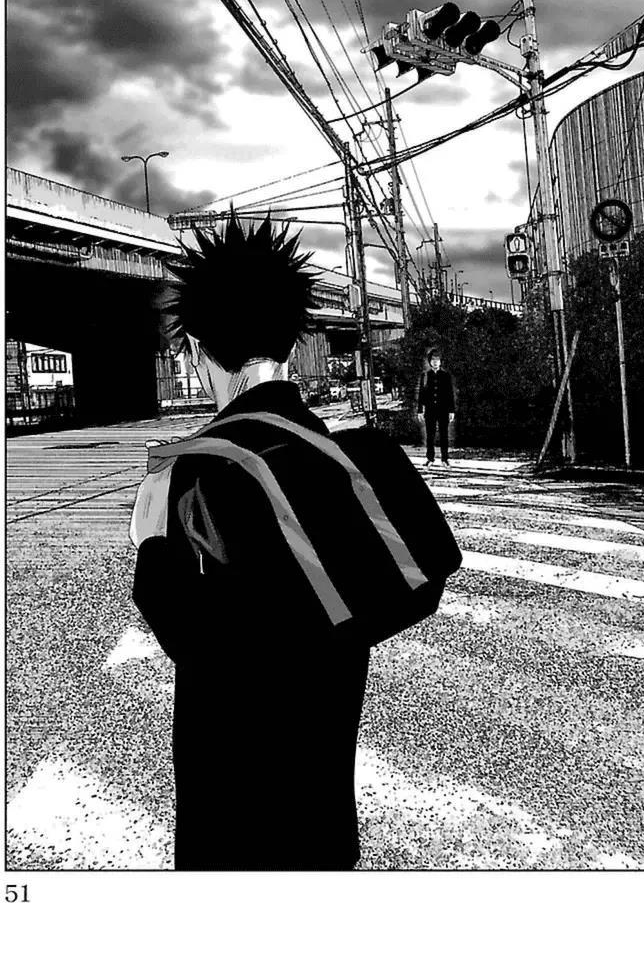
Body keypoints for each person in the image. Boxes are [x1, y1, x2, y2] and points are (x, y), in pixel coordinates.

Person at [129, 212, 461, 871]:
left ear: (195, 349)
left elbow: (197, 641)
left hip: (229, 822)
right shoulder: (357, 458)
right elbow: (414, 584)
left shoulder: (189, 476)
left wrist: (151, 548)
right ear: (292, 335)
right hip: (322, 818)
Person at [417, 349, 456, 467]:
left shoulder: (446, 376)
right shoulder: (425, 376)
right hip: (430, 410)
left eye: (437, 360)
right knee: (430, 435)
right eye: (433, 360)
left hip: (443, 410)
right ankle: (430, 458)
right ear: (429, 361)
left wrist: (451, 410)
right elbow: (421, 394)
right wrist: (420, 410)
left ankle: (445, 459)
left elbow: (450, 394)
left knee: (444, 434)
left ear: (440, 361)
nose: (435, 362)